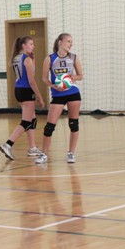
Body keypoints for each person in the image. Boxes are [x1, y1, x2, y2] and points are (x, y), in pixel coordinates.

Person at [35, 33, 83, 164]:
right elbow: (44, 78)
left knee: (74, 124)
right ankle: (44, 154)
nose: (71, 44)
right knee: (49, 127)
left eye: (71, 41)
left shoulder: (74, 57)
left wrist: (73, 77)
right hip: (58, 94)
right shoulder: (50, 59)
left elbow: (80, 75)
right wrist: (53, 86)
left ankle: (71, 153)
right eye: (68, 41)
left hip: (73, 92)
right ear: (60, 42)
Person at [0, 36, 46, 160]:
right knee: (26, 122)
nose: (33, 46)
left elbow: (26, 74)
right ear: (23, 45)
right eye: (30, 44)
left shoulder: (16, 58)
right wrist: (40, 97)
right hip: (26, 91)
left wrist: (33, 60)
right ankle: (8, 144)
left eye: (33, 44)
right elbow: (31, 80)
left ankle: (32, 147)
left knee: (32, 120)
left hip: (18, 90)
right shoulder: (26, 59)